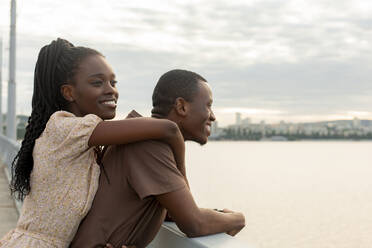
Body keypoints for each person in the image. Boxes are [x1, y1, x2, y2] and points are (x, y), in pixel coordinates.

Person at [0, 39, 186, 248]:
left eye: (113, 83)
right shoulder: (64, 127)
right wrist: (182, 186)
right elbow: (168, 129)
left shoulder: (84, 147)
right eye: (97, 83)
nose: (110, 90)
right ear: (69, 92)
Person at [71, 69, 246, 248]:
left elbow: (172, 213)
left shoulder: (144, 140)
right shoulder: (148, 146)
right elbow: (195, 224)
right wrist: (238, 219)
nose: (213, 116)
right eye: (208, 105)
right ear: (181, 107)